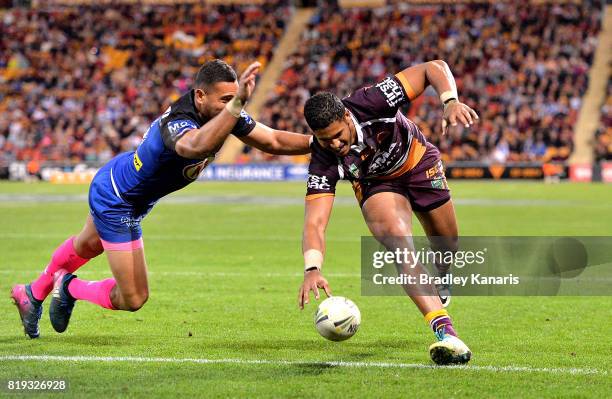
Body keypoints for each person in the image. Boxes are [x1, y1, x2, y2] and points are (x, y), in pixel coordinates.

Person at [11, 59, 312, 338]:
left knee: (86, 246)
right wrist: (235, 107)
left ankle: (31, 294)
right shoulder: (179, 121)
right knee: (134, 297)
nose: (229, 107)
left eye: (232, 99)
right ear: (199, 96)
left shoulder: (225, 113)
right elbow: (194, 146)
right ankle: (69, 286)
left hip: (122, 185)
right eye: (224, 100)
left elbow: (272, 139)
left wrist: (318, 142)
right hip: (119, 200)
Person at [297, 60, 478, 365]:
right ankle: (446, 334)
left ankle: (443, 276)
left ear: (345, 115)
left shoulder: (373, 100)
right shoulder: (322, 158)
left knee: (447, 244)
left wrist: (450, 100)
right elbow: (315, 221)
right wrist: (312, 268)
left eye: (337, 134)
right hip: (376, 185)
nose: (336, 144)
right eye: (325, 139)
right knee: (399, 244)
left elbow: (431, 68)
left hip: (418, 162)